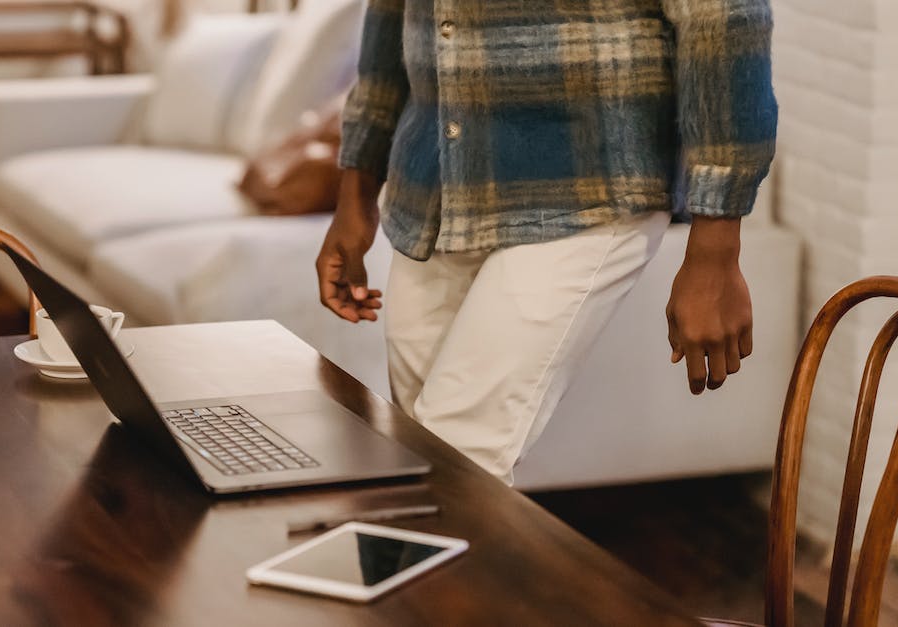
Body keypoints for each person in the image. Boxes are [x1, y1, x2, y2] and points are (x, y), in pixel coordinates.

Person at [316, 0, 778, 484]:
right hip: (433, 187)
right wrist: (356, 192)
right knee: (415, 450)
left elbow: (726, 17)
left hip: (587, 185)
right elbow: (389, 15)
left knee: (459, 454)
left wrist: (716, 250)